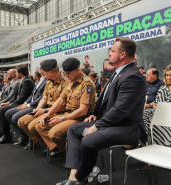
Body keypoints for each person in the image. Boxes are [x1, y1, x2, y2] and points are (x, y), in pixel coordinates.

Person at [56, 37, 147, 185]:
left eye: (112, 50)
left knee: (88, 140)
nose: (109, 53)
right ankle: (74, 178)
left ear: (122, 54)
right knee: (73, 130)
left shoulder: (133, 76)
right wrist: (95, 115)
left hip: (126, 127)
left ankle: (80, 178)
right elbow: (104, 100)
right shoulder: (118, 73)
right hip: (110, 123)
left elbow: (120, 110)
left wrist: (97, 126)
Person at [36, 58, 95, 158]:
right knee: (40, 126)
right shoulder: (70, 81)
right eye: (65, 73)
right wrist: (48, 115)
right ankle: (65, 150)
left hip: (79, 118)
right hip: (67, 114)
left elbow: (83, 110)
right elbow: (60, 100)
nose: (66, 76)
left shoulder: (86, 84)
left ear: (77, 69)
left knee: (53, 133)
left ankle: (71, 154)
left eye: (68, 73)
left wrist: (62, 119)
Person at [17, 59, 66, 150]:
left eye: (44, 72)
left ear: (51, 72)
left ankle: (54, 147)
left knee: (33, 126)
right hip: (46, 110)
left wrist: (44, 111)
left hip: (58, 112)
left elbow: (61, 104)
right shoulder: (48, 82)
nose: (43, 74)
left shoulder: (65, 82)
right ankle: (48, 144)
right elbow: (44, 98)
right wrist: (38, 109)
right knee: (22, 122)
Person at [0, 63, 47, 145]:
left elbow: (23, 98)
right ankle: (7, 133)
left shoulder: (27, 81)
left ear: (20, 73)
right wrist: (10, 103)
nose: (15, 74)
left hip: (34, 105)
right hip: (28, 103)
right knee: (3, 109)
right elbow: (31, 96)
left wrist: (26, 105)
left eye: (16, 72)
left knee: (7, 112)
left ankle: (21, 136)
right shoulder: (37, 80)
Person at [143, 64, 171, 145]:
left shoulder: (160, 85)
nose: (169, 78)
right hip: (160, 114)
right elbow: (157, 104)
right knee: (146, 114)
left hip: (167, 115)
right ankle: (147, 143)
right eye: (167, 75)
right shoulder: (162, 89)